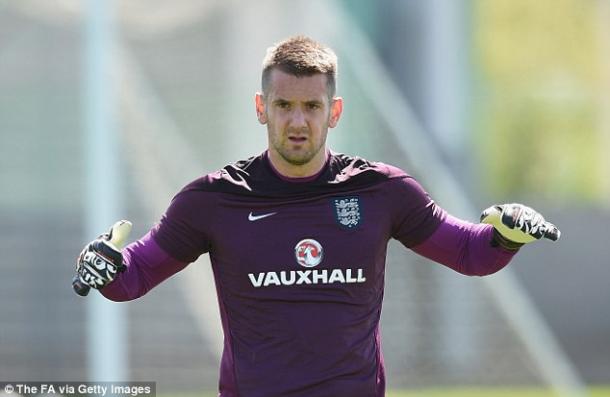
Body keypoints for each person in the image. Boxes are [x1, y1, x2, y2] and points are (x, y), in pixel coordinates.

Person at [74, 36, 560, 397]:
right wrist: (106, 264)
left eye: (312, 106)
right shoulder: (212, 200)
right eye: (284, 106)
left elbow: (469, 252)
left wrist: (504, 237)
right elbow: (132, 277)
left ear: (335, 111)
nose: (298, 121)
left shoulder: (382, 191)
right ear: (262, 108)